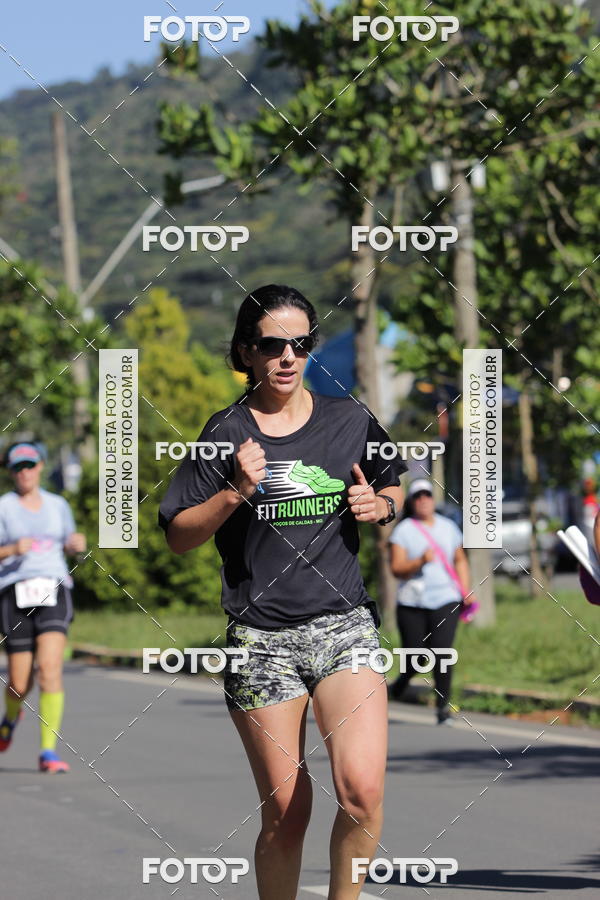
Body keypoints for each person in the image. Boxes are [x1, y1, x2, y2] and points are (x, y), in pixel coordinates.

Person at [159, 284, 407, 900]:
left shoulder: (349, 418)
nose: (288, 356)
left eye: (300, 343)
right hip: (262, 640)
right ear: (247, 352)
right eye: (273, 345)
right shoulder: (226, 433)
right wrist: (235, 491)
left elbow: (395, 484)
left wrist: (380, 506)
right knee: (288, 812)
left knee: (362, 793)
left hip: (343, 625)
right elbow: (178, 535)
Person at [0, 441, 86, 772]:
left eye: (29, 465)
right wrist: (11, 550)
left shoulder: (57, 504)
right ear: (11, 472)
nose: (24, 472)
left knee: (49, 670)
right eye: (18, 467)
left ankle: (48, 752)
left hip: (54, 588)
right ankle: (10, 717)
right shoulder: (4, 507)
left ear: (40, 466)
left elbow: (70, 542)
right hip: (14, 594)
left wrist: (76, 544)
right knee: (19, 683)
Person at [387, 479, 475, 724]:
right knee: (417, 657)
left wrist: (465, 589)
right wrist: (420, 561)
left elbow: (460, 559)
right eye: (418, 496)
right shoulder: (403, 531)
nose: (423, 500)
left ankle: (443, 708)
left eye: (427, 495)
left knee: (442, 652)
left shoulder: (448, 527)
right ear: (412, 502)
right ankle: (400, 684)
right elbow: (396, 569)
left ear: (433, 499)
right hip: (412, 603)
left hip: (446, 598)